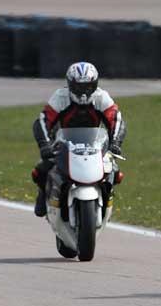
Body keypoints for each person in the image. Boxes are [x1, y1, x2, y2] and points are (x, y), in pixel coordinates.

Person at [31, 61, 126, 217]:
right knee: (41, 170)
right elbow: (42, 121)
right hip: (63, 143)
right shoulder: (60, 97)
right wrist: (44, 145)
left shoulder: (102, 97)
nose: (83, 93)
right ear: (70, 85)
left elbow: (116, 120)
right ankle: (43, 194)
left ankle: (106, 199)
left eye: (88, 87)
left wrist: (116, 143)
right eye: (79, 87)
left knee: (114, 172)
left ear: (95, 84)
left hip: (96, 144)